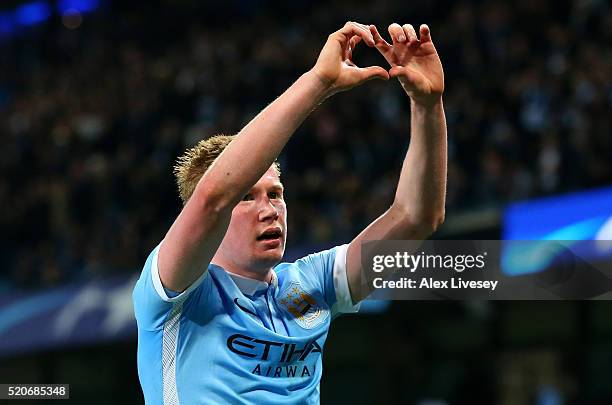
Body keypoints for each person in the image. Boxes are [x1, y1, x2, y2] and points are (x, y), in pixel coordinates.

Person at [133, 21, 447, 404]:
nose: (269, 210)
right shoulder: (176, 293)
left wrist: (427, 105)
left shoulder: (310, 285)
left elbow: (417, 217)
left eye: (276, 194)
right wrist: (319, 82)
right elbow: (213, 197)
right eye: (247, 198)